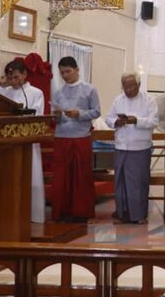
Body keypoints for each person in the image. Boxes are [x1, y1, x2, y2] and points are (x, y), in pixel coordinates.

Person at [50, 56, 101, 223]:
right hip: (61, 137)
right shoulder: (58, 92)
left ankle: (82, 212)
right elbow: (54, 117)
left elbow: (96, 112)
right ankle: (62, 211)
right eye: (62, 72)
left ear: (77, 69)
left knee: (81, 176)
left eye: (68, 71)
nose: (65, 75)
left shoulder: (89, 89)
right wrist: (56, 116)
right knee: (61, 176)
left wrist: (79, 114)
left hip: (80, 137)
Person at [0, 59, 45, 223]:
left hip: (27, 141)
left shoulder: (35, 92)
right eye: (11, 77)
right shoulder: (5, 90)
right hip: (7, 142)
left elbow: (37, 114)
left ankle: (33, 215)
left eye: (16, 77)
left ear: (24, 74)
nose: (14, 81)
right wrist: (1, 86)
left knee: (31, 177)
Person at [105, 72, 159, 224]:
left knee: (138, 183)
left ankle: (139, 215)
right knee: (120, 182)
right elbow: (108, 118)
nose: (128, 90)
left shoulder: (149, 100)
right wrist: (116, 122)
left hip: (140, 147)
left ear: (138, 85)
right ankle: (122, 213)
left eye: (131, 86)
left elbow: (154, 121)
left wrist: (136, 121)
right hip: (121, 146)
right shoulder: (118, 100)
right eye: (125, 87)